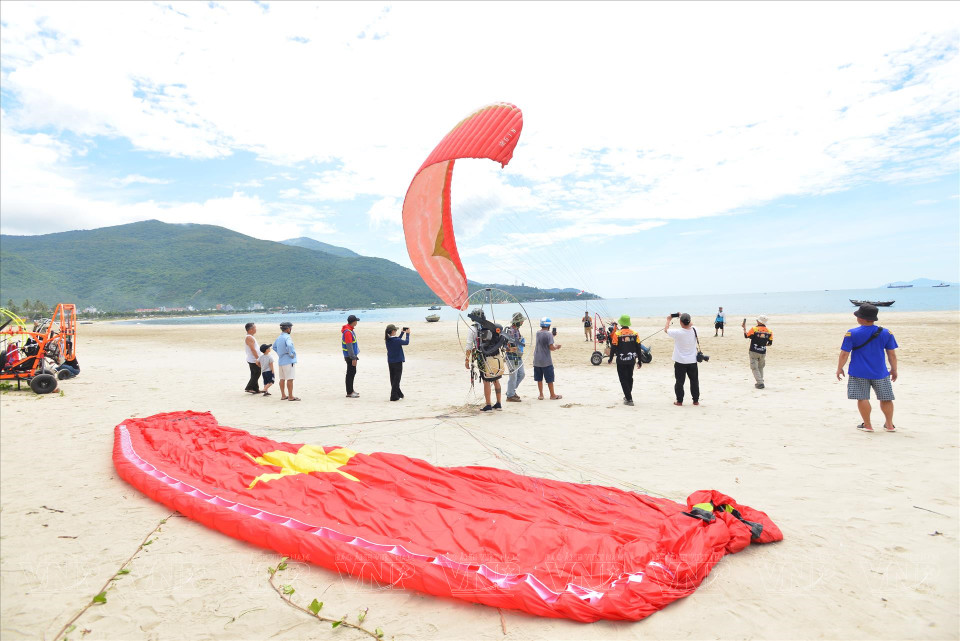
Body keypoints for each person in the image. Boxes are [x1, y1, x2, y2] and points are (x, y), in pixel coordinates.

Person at [836, 304, 898, 433]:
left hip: (859, 371)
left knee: (862, 397)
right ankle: (890, 425)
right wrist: (894, 369)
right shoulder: (886, 333)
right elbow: (891, 353)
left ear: (861, 318)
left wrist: (839, 368)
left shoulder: (852, 333)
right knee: (886, 398)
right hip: (880, 371)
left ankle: (868, 425)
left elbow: (844, 353)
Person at [464, 308, 504, 411]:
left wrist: (467, 360)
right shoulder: (491, 326)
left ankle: (488, 404)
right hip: (496, 355)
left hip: (483, 357)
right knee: (496, 379)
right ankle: (499, 403)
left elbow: (469, 345)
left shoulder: (472, 329)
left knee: (486, 380)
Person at [664, 313, 699, 406]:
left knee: (679, 382)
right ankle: (695, 400)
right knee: (694, 381)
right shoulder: (695, 330)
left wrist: (668, 319)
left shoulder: (678, 332)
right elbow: (691, 323)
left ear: (680, 322)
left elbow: (666, 330)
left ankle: (679, 401)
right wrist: (682, 316)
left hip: (680, 361)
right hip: (692, 361)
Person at [611, 314, 642, 405]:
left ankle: (629, 399)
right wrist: (639, 360)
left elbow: (613, 347)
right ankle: (627, 395)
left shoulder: (617, 334)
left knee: (623, 379)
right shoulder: (635, 334)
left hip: (621, 361)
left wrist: (610, 358)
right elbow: (638, 348)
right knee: (629, 378)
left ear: (621, 323)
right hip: (631, 360)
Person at [533, 317, 562, 400]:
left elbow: (543, 338)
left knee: (539, 379)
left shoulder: (538, 333)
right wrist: (557, 347)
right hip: (546, 360)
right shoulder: (549, 334)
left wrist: (552, 336)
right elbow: (551, 347)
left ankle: (541, 395)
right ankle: (552, 395)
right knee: (549, 379)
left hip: (537, 359)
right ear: (549, 325)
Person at [743, 315, 773, 389]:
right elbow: (769, 343)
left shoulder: (754, 329)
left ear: (759, 321)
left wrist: (744, 329)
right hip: (763, 352)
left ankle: (760, 383)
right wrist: (762, 344)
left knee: (754, 368)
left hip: (754, 351)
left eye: (757, 320)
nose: (756, 321)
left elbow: (746, 336)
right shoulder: (769, 331)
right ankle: (760, 380)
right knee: (760, 367)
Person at [272, 321, 299, 401]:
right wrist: (291, 353)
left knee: (282, 379)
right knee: (290, 379)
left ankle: (283, 395)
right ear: (287, 328)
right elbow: (290, 345)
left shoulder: (279, 337)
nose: (291, 329)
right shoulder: (287, 337)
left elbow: (274, 347)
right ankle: (290, 396)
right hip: (288, 360)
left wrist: (280, 353)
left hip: (281, 360)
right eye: (290, 328)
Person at [504, 312, 526, 402]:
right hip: (511, 357)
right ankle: (510, 395)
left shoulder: (517, 330)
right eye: (521, 321)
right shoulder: (510, 331)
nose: (522, 322)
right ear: (517, 321)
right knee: (513, 376)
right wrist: (510, 349)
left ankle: (511, 391)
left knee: (522, 374)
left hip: (518, 356)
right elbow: (504, 345)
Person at [385, 324, 410, 401]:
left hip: (391, 361)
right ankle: (393, 396)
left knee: (393, 379)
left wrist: (402, 333)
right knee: (396, 379)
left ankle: (399, 394)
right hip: (397, 361)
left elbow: (397, 340)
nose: (396, 331)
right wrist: (408, 334)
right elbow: (406, 342)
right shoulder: (395, 340)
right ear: (392, 331)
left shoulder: (388, 340)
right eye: (395, 330)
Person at [341, 315, 360, 398]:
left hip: (350, 355)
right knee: (350, 373)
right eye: (356, 321)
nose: (357, 322)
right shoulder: (348, 332)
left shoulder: (349, 330)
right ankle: (349, 392)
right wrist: (353, 357)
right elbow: (349, 346)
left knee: (352, 372)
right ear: (353, 322)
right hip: (350, 356)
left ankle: (351, 390)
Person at [243, 322, 261, 394]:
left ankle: (256, 389)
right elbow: (252, 349)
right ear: (250, 329)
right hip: (253, 359)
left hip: (252, 359)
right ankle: (249, 387)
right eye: (254, 328)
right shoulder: (249, 337)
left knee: (254, 374)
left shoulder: (251, 337)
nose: (256, 329)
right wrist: (258, 359)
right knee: (257, 373)